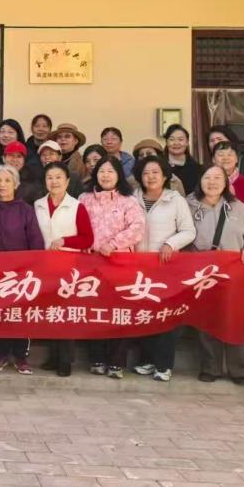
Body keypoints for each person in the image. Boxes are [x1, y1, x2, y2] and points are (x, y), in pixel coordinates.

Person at [188, 163, 244, 385]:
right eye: (207, 177)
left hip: (233, 273)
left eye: (217, 178)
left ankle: (239, 370)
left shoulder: (238, 207)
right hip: (202, 273)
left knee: (234, 320)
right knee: (206, 321)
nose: (212, 182)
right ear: (200, 181)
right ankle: (211, 367)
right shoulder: (189, 205)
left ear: (226, 182)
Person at [80, 154, 146, 379]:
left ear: (119, 175)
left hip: (120, 264)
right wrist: (87, 244)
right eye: (101, 171)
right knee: (95, 311)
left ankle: (117, 362)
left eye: (111, 171)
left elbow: (137, 228)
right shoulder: (84, 199)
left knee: (119, 312)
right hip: (91, 264)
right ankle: (97, 358)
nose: (106, 175)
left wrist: (113, 244)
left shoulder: (129, 201)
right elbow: (76, 226)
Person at [131, 155, 196, 382]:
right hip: (138, 267)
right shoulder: (132, 198)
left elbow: (188, 231)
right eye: (146, 173)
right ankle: (146, 360)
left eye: (155, 172)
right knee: (144, 315)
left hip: (165, 266)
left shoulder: (175, 200)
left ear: (165, 175)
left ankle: (164, 365)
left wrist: (171, 243)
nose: (150, 177)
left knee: (165, 315)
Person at [34, 161, 94, 376]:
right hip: (44, 265)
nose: (54, 181)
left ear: (67, 181)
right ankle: (53, 357)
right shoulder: (38, 205)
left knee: (66, 313)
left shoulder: (77, 206)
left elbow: (87, 238)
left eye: (58, 177)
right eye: (50, 177)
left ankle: (65, 360)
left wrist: (65, 241)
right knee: (51, 312)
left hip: (69, 266)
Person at [0, 164, 45, 374]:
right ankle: (0, 355)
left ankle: (21, 357)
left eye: (7, 181)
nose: (2, 185)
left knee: (21, 313)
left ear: (16, 184)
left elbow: (35, 240)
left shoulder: (25, 210)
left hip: (22, 271)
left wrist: (31, 266)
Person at [212, 141, 244, 209]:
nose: (225, 158)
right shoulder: (207, 183)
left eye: (230, 154)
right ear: (213, 160)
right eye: (221, 155)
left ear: (236, 159)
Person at [164, 124, 202, 195]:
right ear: (166, 142)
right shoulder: (160, 165)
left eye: (180, 139)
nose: (176, 143)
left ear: (187, 142)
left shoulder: (197, 168)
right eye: (172, 139)